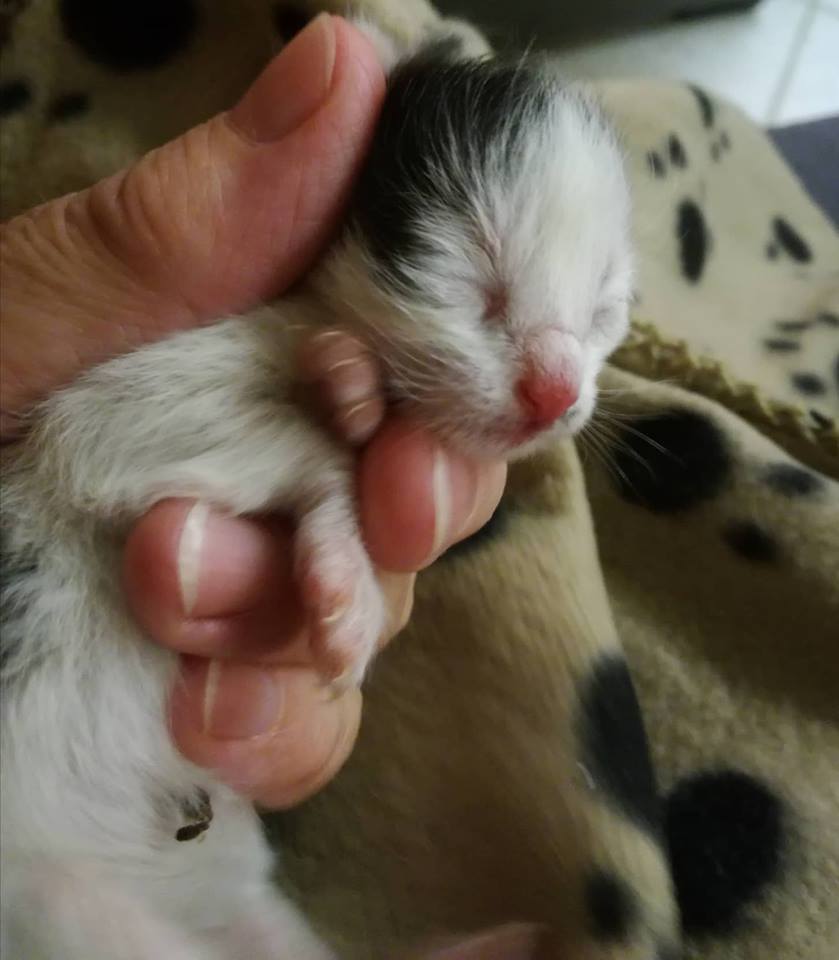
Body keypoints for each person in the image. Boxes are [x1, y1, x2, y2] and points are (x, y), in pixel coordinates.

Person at [1, 14, 538, 958]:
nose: (563, 383)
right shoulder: (236, 325)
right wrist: (313, 467)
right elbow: (86, 452)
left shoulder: (366, 391)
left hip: (176, 841)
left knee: (239, 898)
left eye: (608, 310)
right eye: (472, 279)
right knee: (53, 906)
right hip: (29, 830)